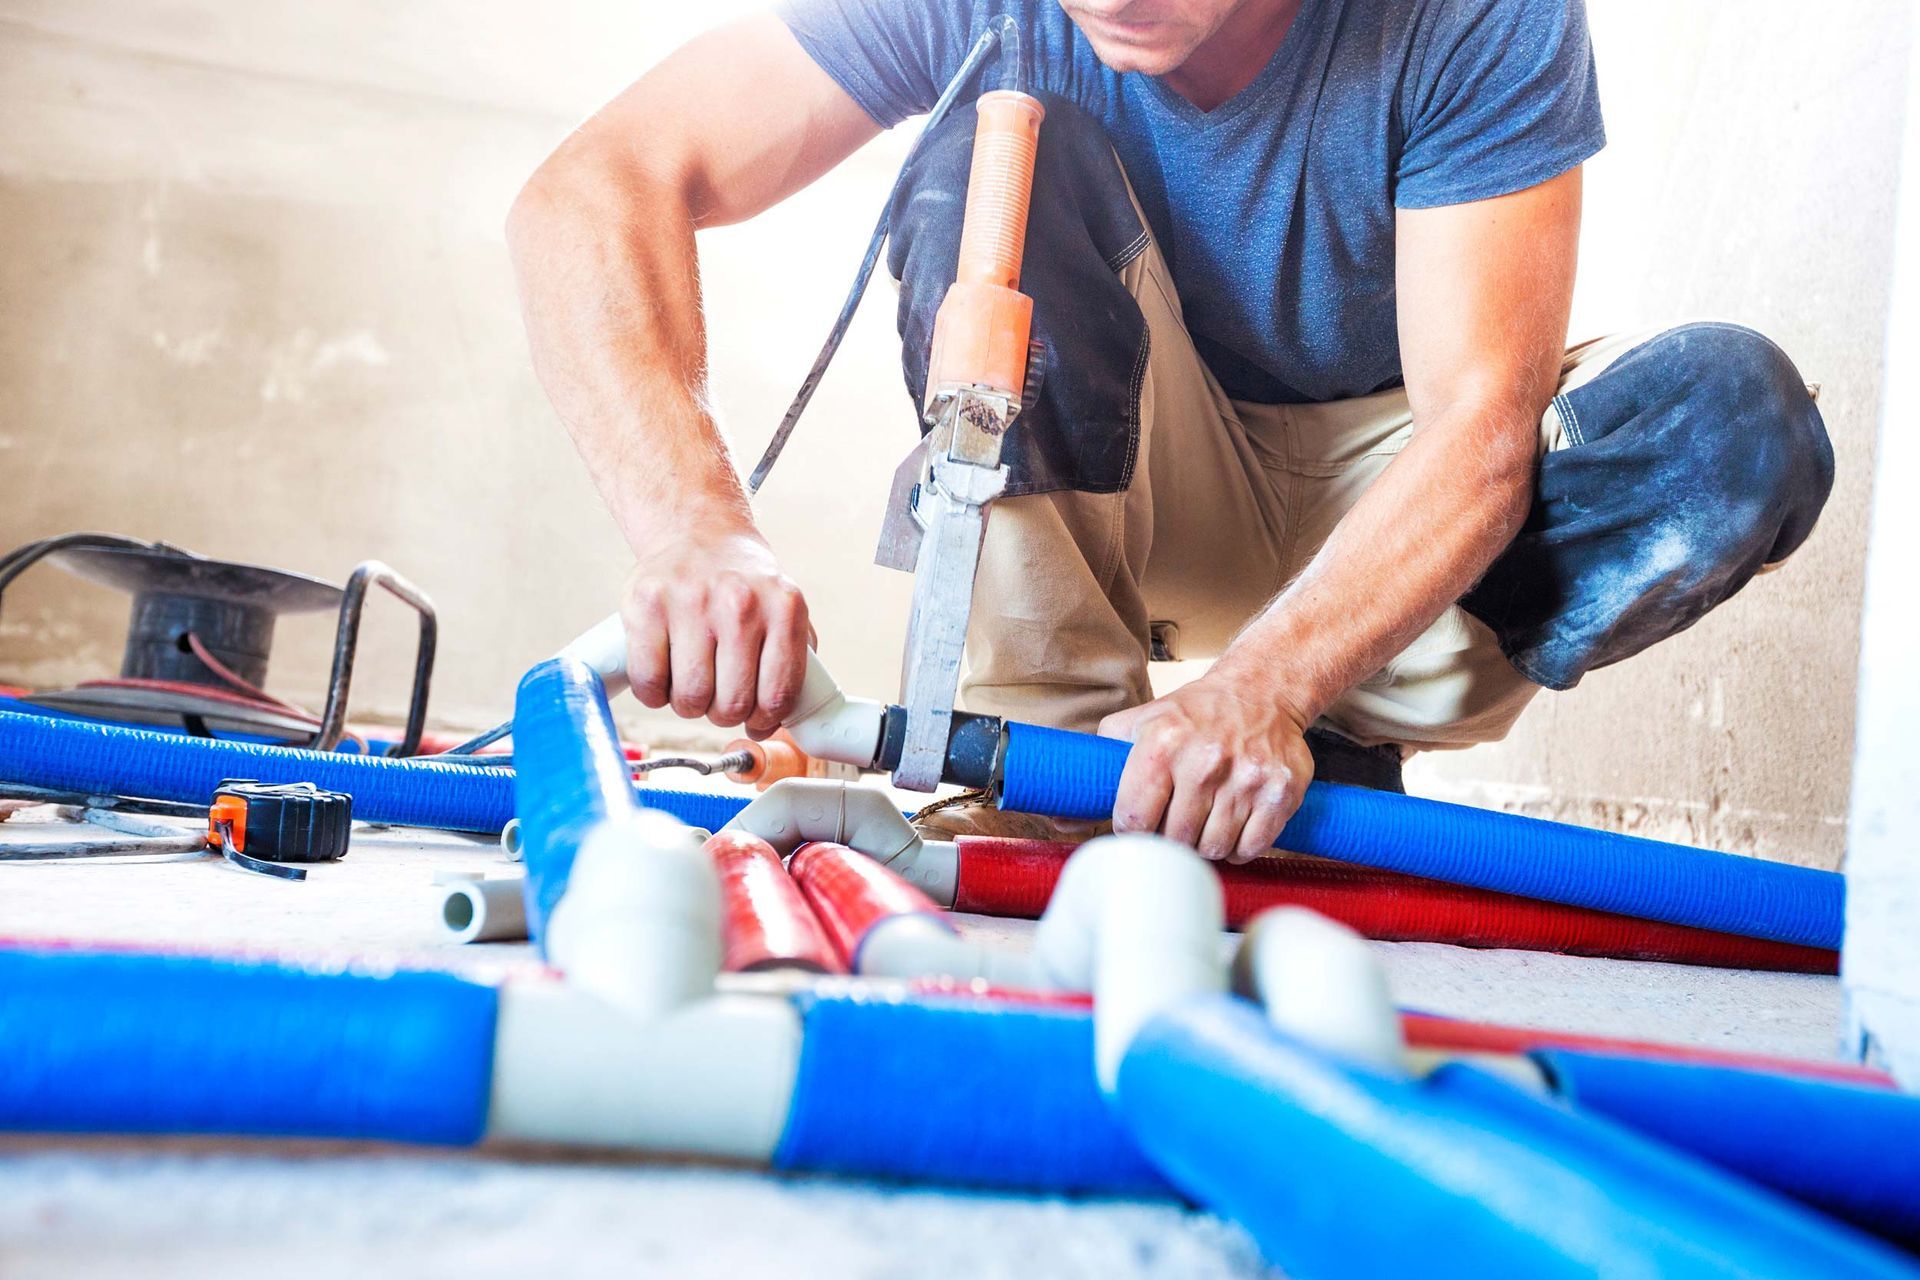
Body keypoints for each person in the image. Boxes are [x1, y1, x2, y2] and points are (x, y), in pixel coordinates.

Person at [505, 0, 1832, 861]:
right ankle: (1051, 772)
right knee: (995, 164)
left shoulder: (1478, 15)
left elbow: (1480, 429)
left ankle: (1322, 721)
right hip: (1151, 477)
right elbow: (596, 186)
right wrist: (698, 530)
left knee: (1729, 428)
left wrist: (1264, 691)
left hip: (1404, 506)